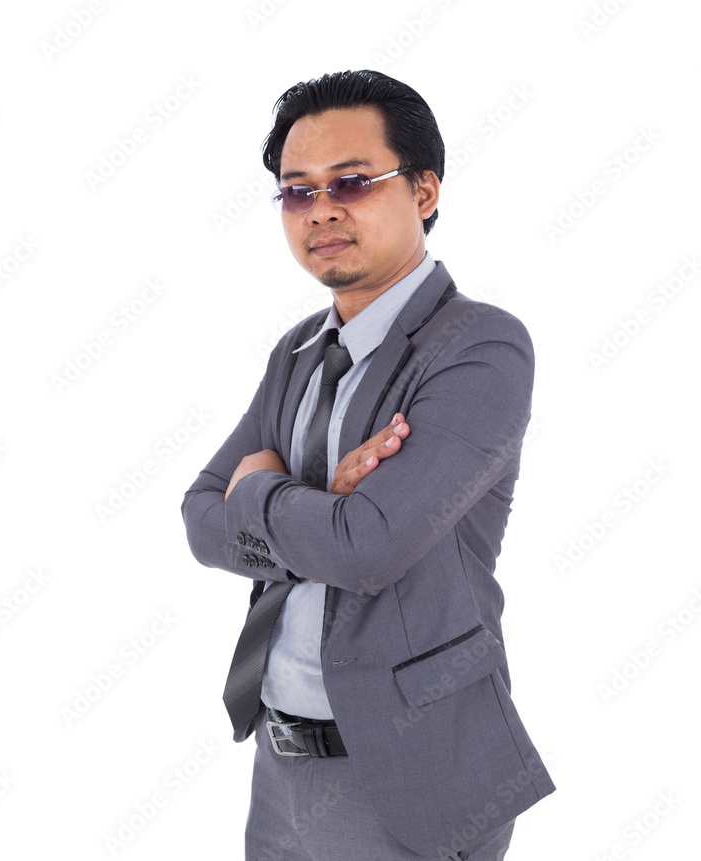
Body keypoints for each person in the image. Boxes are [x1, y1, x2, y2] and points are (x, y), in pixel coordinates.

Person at [181, 70, 555, 860]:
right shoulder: (296, 351)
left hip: (409, 769)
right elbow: (201, 519)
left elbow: (368, 547)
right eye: (296, 191)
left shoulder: (481, 347)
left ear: (424, 190)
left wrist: (265, 489)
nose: (321, 209)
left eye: (351, 182)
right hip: (278, 763)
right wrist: (322, 501)